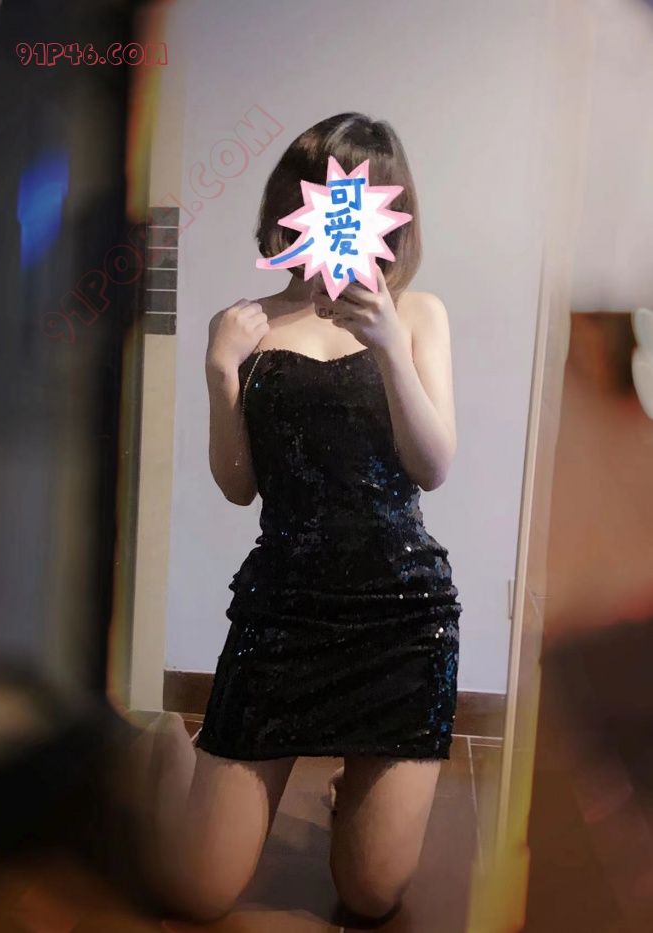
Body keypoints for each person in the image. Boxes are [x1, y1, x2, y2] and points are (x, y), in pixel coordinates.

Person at [131, 112, 463, 925]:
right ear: (291, 203)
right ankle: (169, 748)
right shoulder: (248, 324)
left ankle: (360, 784)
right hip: (283, 612)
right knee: (197, 889)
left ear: (390, 212)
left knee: (372, 894)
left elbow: (432, 466)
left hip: (401, 618)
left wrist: (389, 346)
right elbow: (238, 487)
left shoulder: (418, 314)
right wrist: (220, 372)